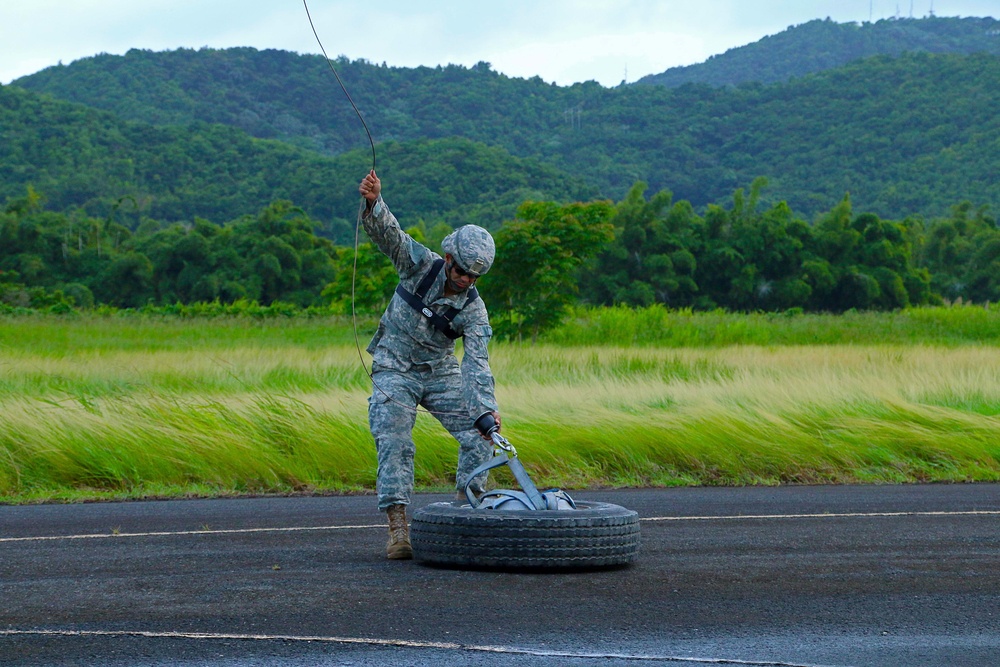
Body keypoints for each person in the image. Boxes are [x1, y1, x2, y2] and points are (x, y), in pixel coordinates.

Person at [358, 169, 501, 560]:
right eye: (461, 271)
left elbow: (477, 364)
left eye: (474, 276)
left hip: (440, 372)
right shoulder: (420, 264)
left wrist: (485, 411)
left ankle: (465, 512)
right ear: (449, 258)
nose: (466, 280)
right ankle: (397, 526)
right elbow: (390, 235)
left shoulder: (475, 311)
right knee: (395, 440)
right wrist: (374, 202)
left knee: (480, 437)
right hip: (395, 367)